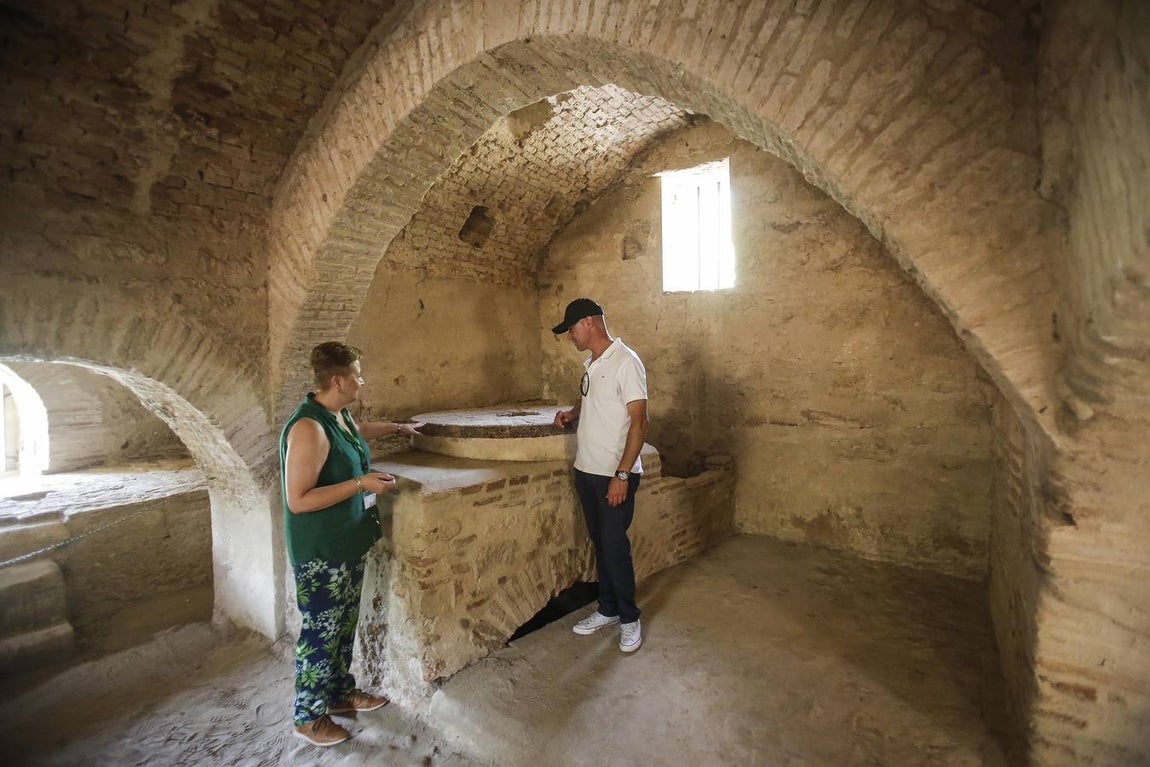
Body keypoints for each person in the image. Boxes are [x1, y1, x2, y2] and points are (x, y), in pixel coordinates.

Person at [280, 341, 420, 747]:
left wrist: (397, 428)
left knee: (342, 626)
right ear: (338, 381)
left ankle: (339, 693)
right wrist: (362, 483)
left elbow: (358, 433)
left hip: (346, 542)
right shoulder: (308, 427)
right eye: (358, 374)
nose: (363, 379)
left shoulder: (335, 415)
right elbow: (298, 499)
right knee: (320, 633)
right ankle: (307, 717)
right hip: (322, 550)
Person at [552, 298, 649, 653]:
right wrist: (572, 413)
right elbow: (594, 399)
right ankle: (607, 609)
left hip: (613, 475)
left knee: (614, 547)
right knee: (601, 544)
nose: (570, 337)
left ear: (590, 322)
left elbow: (639, 421)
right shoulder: (593, 363)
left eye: (572, 329)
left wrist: (622, 475)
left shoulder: (626, 361)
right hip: (587, 471)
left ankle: (629, 618)